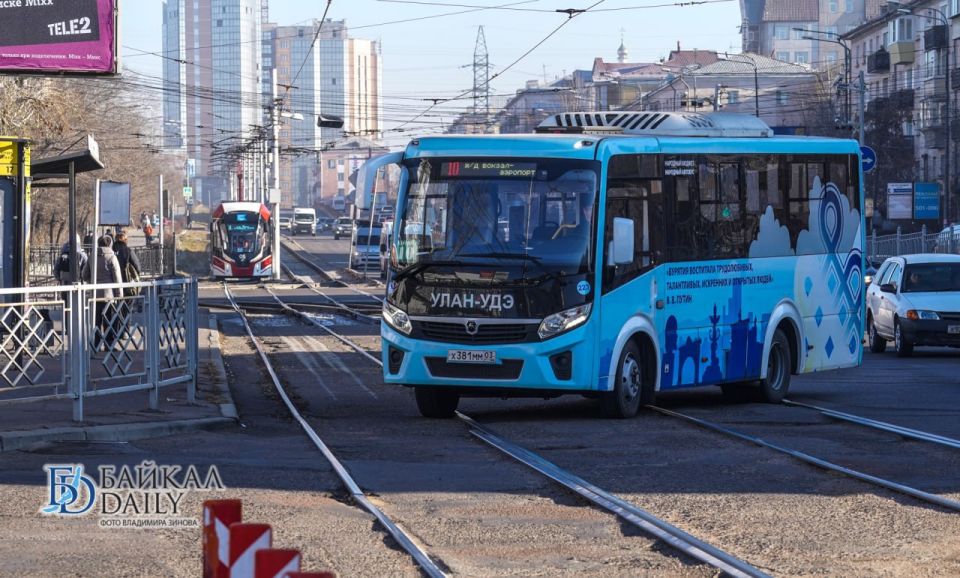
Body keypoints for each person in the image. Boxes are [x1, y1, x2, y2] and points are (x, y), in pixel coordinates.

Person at [82, 235, 124, 351]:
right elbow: (117, 277)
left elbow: (84, 275)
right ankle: (109, 345)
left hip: (94, 295)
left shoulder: (92, 257)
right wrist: (119, 296)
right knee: (109, 321)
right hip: (108, 296)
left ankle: (95, 345)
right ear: (110, 244)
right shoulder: (112, 257)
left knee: (96, 321)